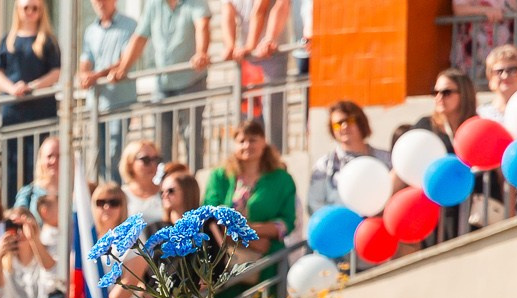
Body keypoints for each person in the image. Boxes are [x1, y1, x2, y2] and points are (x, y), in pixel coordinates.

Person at [123, 0, 213, 165]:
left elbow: (202, 26)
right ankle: (163, 182)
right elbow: (139, 38)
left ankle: (193, 182)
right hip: (162, 84)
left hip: (191, 80)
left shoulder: (195, 3)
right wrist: (123, 68)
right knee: (161, 140)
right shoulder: (153, 4)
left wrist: (201, 53)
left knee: (191, 136)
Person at [202, 120, 297, 271]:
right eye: (241, 141)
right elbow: (209, 216)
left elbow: (286, 223)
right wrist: (251, 240)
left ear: (264, 142)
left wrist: (249, 230)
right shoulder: (220, 176)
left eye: (252, 140)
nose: (247, 145)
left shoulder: (282, 179)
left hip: (268, 262)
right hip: (226, 260)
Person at [0, 0, 63, 198]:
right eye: (26, 8)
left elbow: (56, 72)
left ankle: (38, 202)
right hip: (13, 113)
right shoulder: (8, 40)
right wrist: (12, 89)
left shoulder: (48, 40)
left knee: (37, 160)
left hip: (40, 112)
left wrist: (31, 87)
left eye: (35, 8)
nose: (30, 12)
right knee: (12, 162)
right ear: (18, 10)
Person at [81, 0, 142, 183]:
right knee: (98, 153)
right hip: (96, 104)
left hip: (120, 101)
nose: (100, 3)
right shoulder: (90, 31)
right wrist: (83, 75)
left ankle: (117, 192)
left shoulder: (129, 25)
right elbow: (85, 61)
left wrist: (95, 76)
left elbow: (124, 61)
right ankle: (108, 192)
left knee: (115, 152)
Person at [306, 101, 390, 214]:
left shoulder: (386, 159)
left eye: (350, 121)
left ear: (361, 122)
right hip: (340, 228)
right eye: (338, 124)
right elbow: (314, 205)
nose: (344, 126)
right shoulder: (324, 166)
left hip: (376, 227)